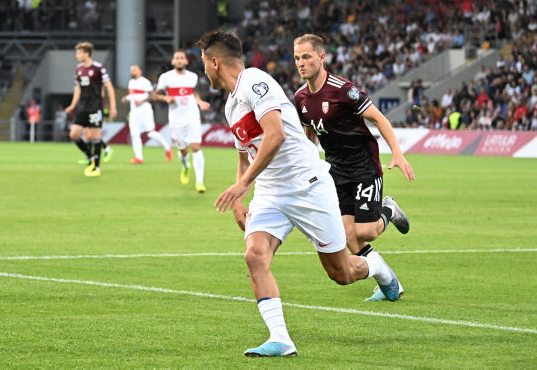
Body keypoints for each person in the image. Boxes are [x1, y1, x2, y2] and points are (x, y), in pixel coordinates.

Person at [197, 30, 401, 358]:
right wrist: (239, 197)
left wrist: (241, 185)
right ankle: (280, 338)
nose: (203, 70)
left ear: (215, 62)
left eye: (204, 63)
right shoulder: (231, 104)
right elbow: (244, 155)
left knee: (342, 273)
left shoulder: (254, 82)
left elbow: (275, 135)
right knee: (254, 255)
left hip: (307, 187)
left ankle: (377, 267)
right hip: (270, 193)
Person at [292, 34, 415, 302]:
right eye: (297, 58)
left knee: (366, 231)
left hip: (364, 166)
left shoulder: (343, 90)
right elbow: (310, 134)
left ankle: (389, 209)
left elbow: (379, 118)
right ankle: (389, 284)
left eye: (307, 56)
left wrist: (398, 153)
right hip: (336, 170)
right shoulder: (300, 99)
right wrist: (308, 163)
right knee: (349, 237)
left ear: (322, 57)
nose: (301, 63)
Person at [154, 50, 210, 192]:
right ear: (173, 62)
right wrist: (165, 98)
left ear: (186, 61)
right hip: (176, 119)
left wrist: (199, 102)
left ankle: (200, 182)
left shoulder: (193, 77)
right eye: (177, 58)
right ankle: (186, 167)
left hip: (192, 116)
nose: (179, 60)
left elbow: (194, 93)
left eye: (182, 58)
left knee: (196, 148)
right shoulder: (166, 77)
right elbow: (156, 95)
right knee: (183, 150)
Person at [64, 42, 117, 177]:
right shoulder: (79, 69)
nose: (77, 55)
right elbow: (78, 88)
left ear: (86, 53)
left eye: (79, 52)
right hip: (82, 107)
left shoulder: (99, 68)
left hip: (95, 107)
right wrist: (72, 105)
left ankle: (97, 168)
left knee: (95, 136)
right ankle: (90, 157)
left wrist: (112, 106)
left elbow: (109, 87)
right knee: (74, 134)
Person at [121, 64, 172, 164]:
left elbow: (153, 96)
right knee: (134, 134)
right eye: (131, 70)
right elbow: (133, 95)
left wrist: (142, 101)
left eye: (134, 70)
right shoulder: (131, 82)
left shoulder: (145, 82)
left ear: (140, 71)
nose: (132, 71)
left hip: (145, 111)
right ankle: (139, 157)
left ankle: (167, 147)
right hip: (134, 112)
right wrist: (126, 98)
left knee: (151, 134)